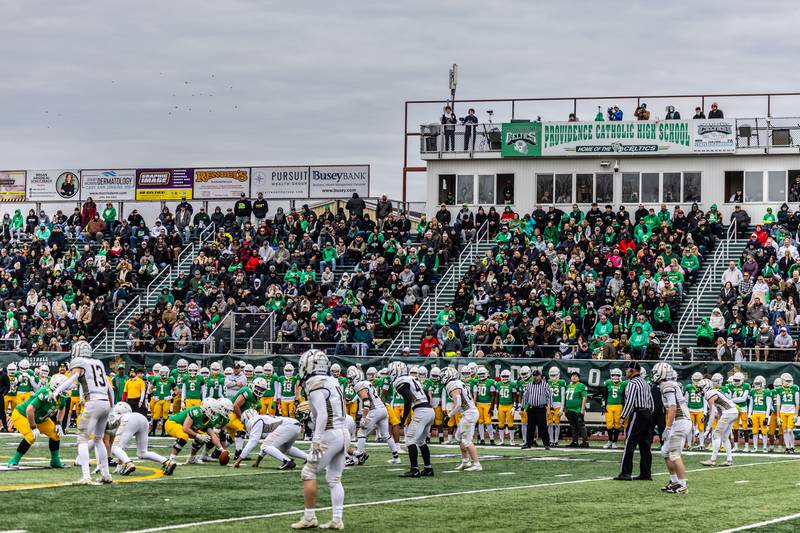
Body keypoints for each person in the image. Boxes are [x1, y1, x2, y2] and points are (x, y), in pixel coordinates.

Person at [290, 349, 347, 531]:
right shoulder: (333, 381)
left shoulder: (314, 383)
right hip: (343, 432)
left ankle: (309, 517)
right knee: (334, 478)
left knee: (308, 473)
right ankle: (337, 519)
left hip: (329, 433)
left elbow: (322, 414)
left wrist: (316, 438)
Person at [51, 343, 114, 484]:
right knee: (98, 439)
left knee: (83, 439)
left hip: (93, 402)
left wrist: (56, 391)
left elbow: (72, 379)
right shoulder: (98, 363)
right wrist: (112, 407)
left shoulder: (79, 362)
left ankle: (86, 476)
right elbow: (109, 388)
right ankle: (106, 474)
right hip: (105, 403)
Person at [7, 373, 69, 468]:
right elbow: (29, 409)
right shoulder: (45, 393)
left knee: (55, 435)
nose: (66, 388)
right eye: (64, 386)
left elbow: (62, 407)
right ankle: (13, 461)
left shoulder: (61, 395)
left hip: (40, 418)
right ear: (57, 386)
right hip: (22, 414)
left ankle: (55, 461)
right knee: (31, 436)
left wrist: (58, 423)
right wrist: (33, 427)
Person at [103, 402, 177, 475]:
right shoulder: (127, 415)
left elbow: (108, 432)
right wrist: (119, 466)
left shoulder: (115, 416)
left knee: (115, 447)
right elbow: (121, 448)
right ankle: (167, 462)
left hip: (129, 420)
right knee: (142, 453)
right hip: (143, 419)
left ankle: (129, 464)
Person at [389, 361, 434, 477]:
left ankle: (414, 470)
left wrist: (403, 420)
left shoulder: (400, 381)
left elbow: (409, 399)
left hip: (421, 411)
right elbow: (426, 395)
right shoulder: (412, 379)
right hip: (429, 410)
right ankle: (428, 469)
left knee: (409, 439)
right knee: (420, 441)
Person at [652, 363, 690, 494]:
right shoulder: (669, 385)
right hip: (679, 422)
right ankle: (674, 482)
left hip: (680, 421)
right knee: (665, 452)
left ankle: (683, 484)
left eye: (655, 372)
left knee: (674, 454)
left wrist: (667, 427)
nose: (653, 375)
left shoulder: (667, 386)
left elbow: (673, 407)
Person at [615, 361, 654, 481]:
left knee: (630, 442)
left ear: (632, 370)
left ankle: (625, 473)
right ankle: (646, 473)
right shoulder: (645, 383)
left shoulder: (632, 383)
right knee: (645, 445)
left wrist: (623, 417)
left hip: (638, 413)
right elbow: (651, 402)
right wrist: (648, 414)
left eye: (627, 369)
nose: (626, 371)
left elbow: (630, 402)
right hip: (647, 413)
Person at [234, 408, 307, 469]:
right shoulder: (262, 418)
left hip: (287, 426)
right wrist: (257, 462)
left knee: (266, 445)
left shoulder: (254, 420)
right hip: (294, 425)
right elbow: (266, 444)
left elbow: (253, 442)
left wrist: (238, 461)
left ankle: (287, 461)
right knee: (285, 448)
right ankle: (310, 458)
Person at [353, 369, 400, 465]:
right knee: (386, 434)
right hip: (383, 409)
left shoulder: (360, 385)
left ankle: (358, 457)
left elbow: (366, 402)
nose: (349, 381)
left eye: (351, 379)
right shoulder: (367, 383)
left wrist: (363, 417)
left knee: (362, 432)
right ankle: (396, 457)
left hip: (375, 410)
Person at [442, 366, 481, 472]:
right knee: (458, 437)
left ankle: (477, 464)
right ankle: (465, 461)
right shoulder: (458, 382)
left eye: (443, 376)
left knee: (467, 441)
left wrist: (449, 416)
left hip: (469, 413)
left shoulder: (452, 384)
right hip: (469, 412)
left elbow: (458, 404)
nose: (442, 378)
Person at [699, 375, 738, 466]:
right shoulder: (714, 392)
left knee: (716, 435)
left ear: (706, 387)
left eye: (701, 388)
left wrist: (708, 429)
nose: (700, 390)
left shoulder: (710, 394)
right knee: (724, 437)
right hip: (733, 412)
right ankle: (729, 460)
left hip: (729, 412)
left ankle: (712, 460)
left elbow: (713, 412)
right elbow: (719, 409)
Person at [522, 369, 551, 449]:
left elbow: (550, 397)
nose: (535, 377)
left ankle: (546, 444)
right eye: (534, 376)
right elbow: (525, 396)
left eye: (537, 376)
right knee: (530, 427)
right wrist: (522, 407)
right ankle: (528, 444)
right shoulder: (529, 385)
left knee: (543, 427)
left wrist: (549, 408)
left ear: (540, 376)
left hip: (541, 408)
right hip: (531, 408)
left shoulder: (545, 385)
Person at [774, 373, 799, 454]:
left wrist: (796, 414)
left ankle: (792, 446)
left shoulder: (795, 388)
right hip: (783, 412)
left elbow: (797, 403)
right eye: (786, 381)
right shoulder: (779, 389)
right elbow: (778, 404)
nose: (788, 382)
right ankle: (788, 447)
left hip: (792, 411)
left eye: (789, 381)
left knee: (789, 430)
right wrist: (778, 416)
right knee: (784, 431)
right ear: (782, 381)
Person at [603, 368, 626, 449]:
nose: (615, 377)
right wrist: (603, 405)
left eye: (617, 375)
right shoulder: (608, 382)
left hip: (619, 406)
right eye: (614, 375)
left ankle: (615, 442)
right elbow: (604, 395)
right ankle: (609, 441)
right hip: (609, 405)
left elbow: (625, 396)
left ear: (620, 376)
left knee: (617, 424)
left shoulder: (624, 384)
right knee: (609, 425)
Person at [748, 376, 772, 453]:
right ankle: (755, 447)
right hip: (754, 413)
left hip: (763, 413)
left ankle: (764, 447)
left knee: (764, 431)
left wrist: (767, 417)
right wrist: (749, 415)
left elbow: (768, 406)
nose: (757, 385)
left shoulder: (767, 392)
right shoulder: (752, 392)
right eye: (756, 383)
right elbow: (751, 405)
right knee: (754, 431)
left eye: (759, 383)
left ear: (763, 384)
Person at [564, 371, 588, 448]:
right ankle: (575, 441)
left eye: (576, 376)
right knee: (573, 426)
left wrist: (582, 409)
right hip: (569, 410)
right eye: (573, 376)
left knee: (581, 426)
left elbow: (584, 397)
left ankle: (585, 442)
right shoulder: (568, 386)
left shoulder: (581, 386)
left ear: (579, 378)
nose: (574, 377)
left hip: (577, 410)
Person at [545, 367, 565, 446]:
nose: (553, 377)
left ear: (558, 374)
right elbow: (546, 395)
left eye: (554, 375)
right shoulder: (548, 382)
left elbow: (563, 395)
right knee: (549, 423)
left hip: (558, 404)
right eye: (551, 375)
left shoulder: (561, 382)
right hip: (550, 405)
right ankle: (551, 440)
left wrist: (562, 408)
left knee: (557, 423)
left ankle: (556, 440)